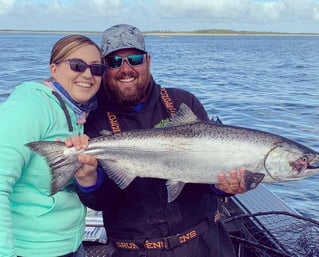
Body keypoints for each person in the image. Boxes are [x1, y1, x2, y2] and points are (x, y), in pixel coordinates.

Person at [72, 24, 246, 257]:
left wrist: (223, 185)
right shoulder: (95, 119)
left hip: (205, 243)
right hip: (136, 251)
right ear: (104, 68)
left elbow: (208, 175)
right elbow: (100, 200)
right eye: (115, 62)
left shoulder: (183, 102)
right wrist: (87, 181)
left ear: (148, 61)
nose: (126, 69)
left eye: (134, 59)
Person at [0, 34, 106, 257]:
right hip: (28, 249)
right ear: (54, 69)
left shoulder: (80, 113)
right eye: (77, 65)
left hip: (71, 245)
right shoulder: (31, 104)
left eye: (96, 69)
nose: (87, 74)